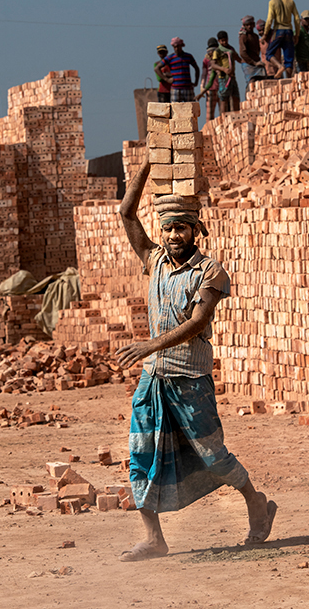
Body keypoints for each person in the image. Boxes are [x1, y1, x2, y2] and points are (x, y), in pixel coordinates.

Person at [116, 157, 277, 561]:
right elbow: (125, 211)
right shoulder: (152, 261)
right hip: (154, 380)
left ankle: (256, 503)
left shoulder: (210, 272)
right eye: (168, 228)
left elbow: (197, 321)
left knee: (213, 456)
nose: (173, 235)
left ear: (196, 230)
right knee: (142, 454)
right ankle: (154, 538)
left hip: (189, 378)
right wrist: (153, 160)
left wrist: (151, 345)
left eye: (181, 227)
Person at [263, 0, 300, 78]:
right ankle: (289, 80)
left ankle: (279, 67)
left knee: (269, 53)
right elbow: (297, 19)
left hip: (278, 31)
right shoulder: (291, 2)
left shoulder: (272, 2)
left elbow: (269, 19)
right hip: (289, 31)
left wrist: (265, 34)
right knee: (289, 59)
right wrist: (297, 34)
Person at [164, 37, 200, 103]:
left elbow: (196, 68)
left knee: (190, 109)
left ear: (181, 46)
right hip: (175, 88)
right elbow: (157, 68)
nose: (177, 49)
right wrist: (166, 79)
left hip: (187, 88)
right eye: (175, 47)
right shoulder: (170, 58)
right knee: (176, 110)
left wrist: (196, 82)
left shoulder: (188, 56)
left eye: (178, 47)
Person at [238, 16, 266, 96]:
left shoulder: (255, 36)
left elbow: (257, 50)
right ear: (244, 26)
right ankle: (248, 99)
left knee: (261, 79)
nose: (249, 27)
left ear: (253, 25)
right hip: (248, 63)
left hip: (256, 62)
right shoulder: (243, 37)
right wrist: (253, 62)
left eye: (251, 24)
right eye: (247, 25)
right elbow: (242, 53)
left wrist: (257, 61)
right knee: (251, 81)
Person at [210, 40, 240, 113]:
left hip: (232, 77)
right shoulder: (218, 51)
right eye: (222, 40)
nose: (224, 42)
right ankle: (223, 118)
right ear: (219, 41)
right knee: (224, 98)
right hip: (223, 78)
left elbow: (238, 58)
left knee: (235, 97)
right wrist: (223, 69)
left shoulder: (231, 49)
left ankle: (237, 116)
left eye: (225, 40)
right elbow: (213, 65)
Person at [197, 37, 220, 121]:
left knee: (223, 113)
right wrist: (202, 87)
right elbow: (204, 74)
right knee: (209, 115)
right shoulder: (206, 60)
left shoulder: (221, 57)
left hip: (221, 87)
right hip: (210, 89)